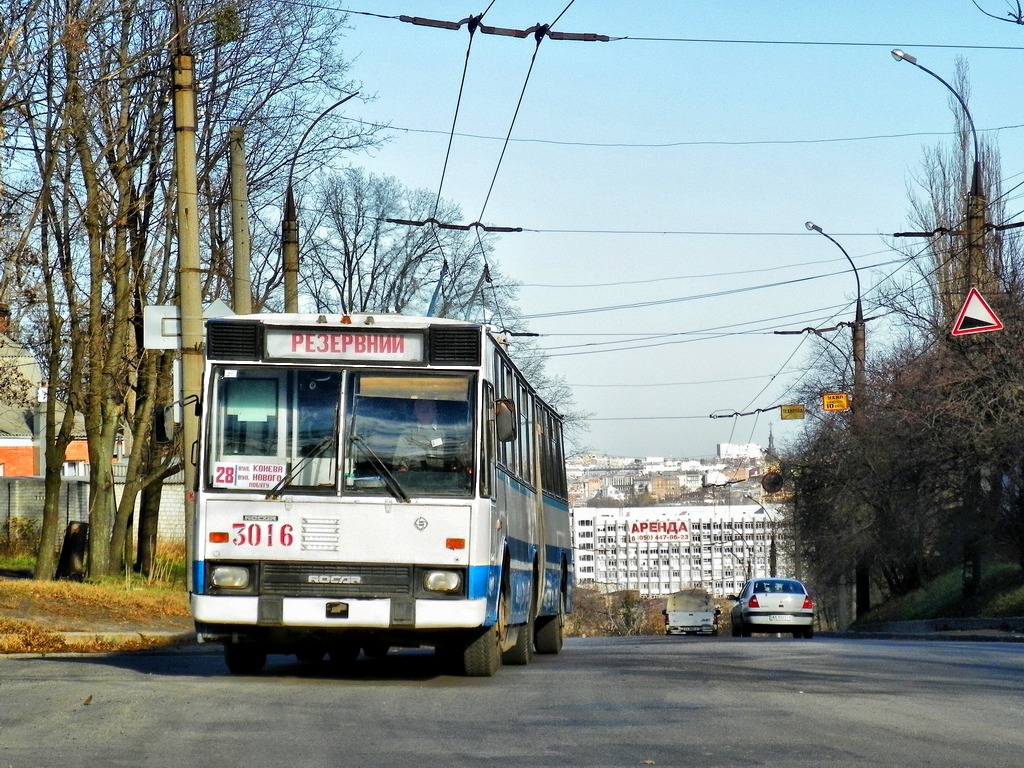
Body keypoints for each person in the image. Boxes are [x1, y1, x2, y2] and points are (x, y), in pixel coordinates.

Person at [394, 399, 462, 472]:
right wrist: (402, 469)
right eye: (421, 409)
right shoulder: (407, 434)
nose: (425, 411)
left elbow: (459, 458)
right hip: (414, 477)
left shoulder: (448, 432)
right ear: (415, 412)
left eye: (428, 408)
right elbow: (399, 462)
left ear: (435, 411)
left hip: (443, 476)